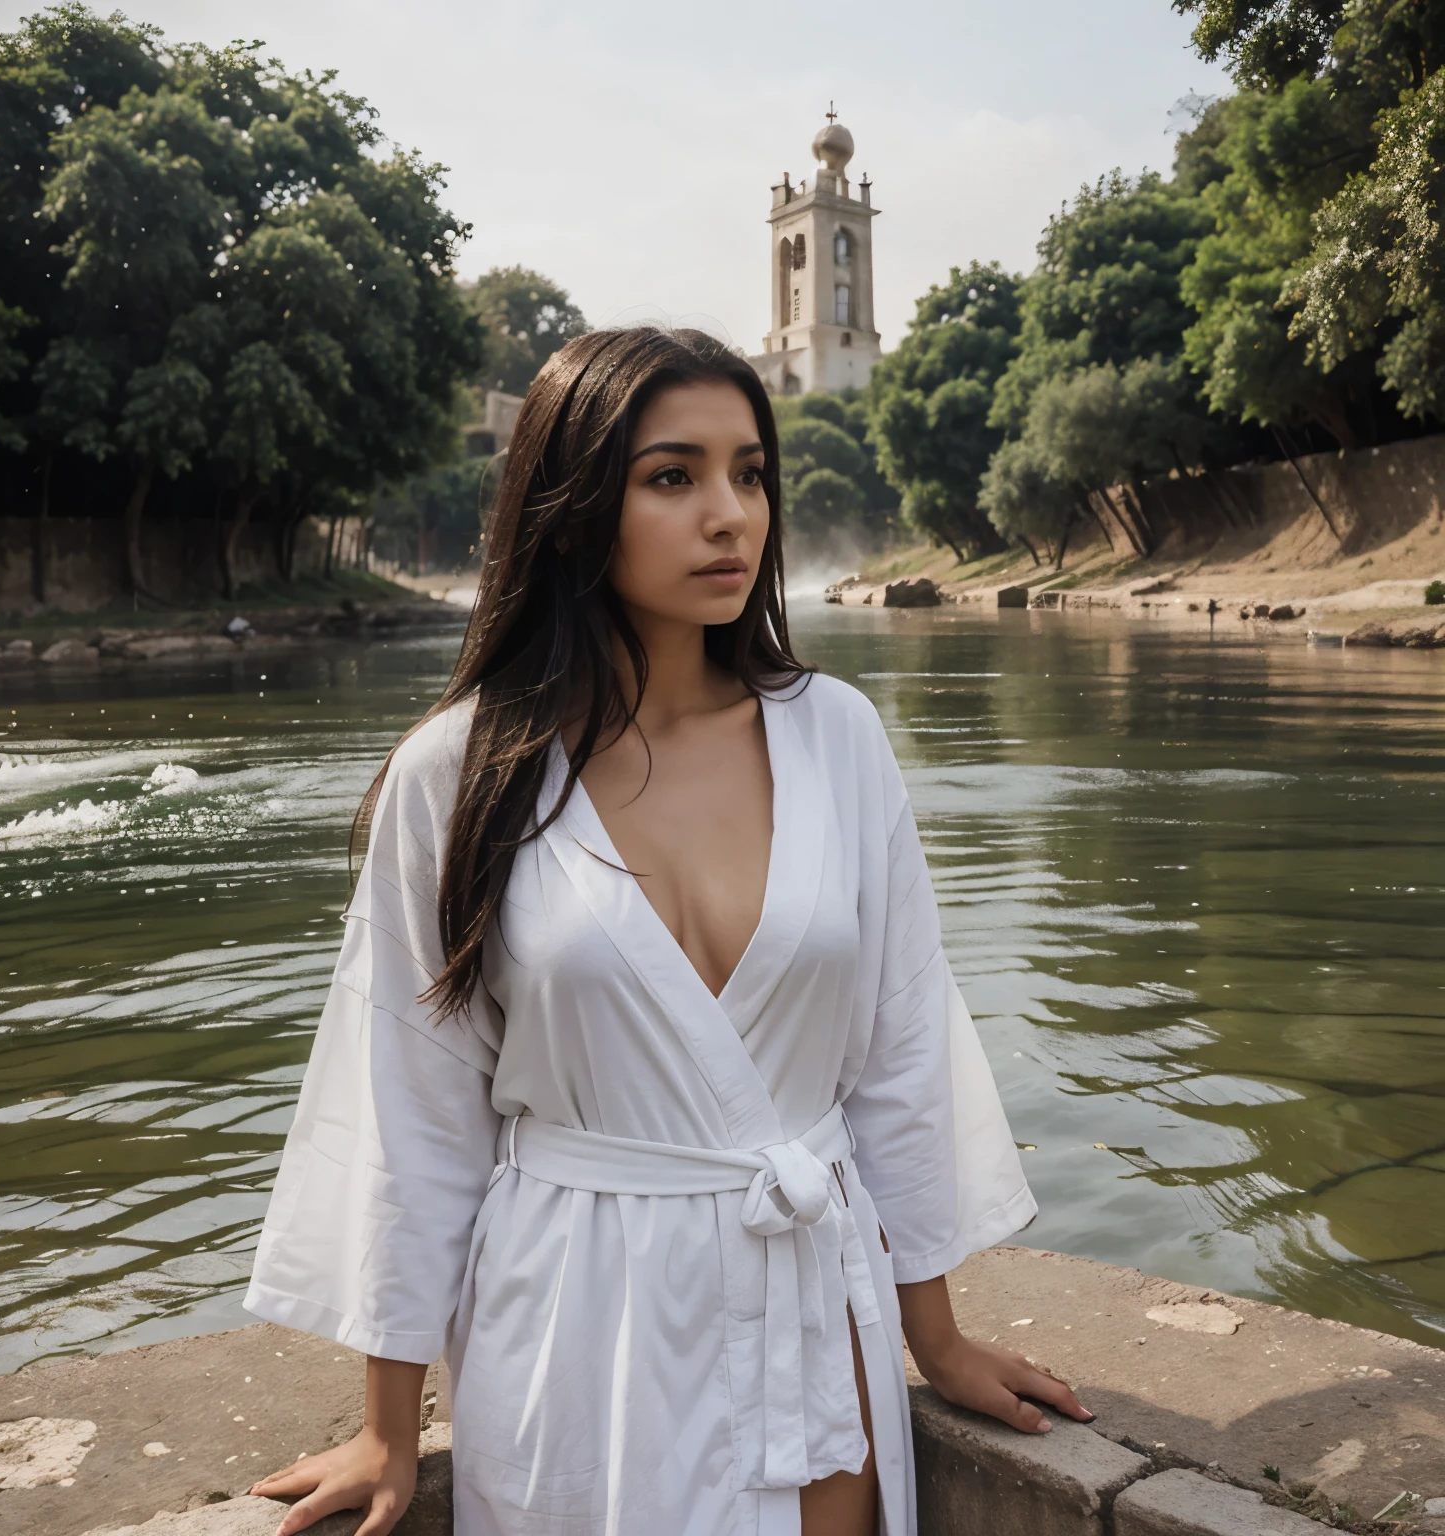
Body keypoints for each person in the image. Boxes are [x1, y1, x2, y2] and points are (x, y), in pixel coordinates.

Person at [242, 327, 1091, 1536]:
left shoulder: (837, 738)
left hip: (810, 1295)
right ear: (575, 505)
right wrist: (389, 1430)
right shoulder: (460, 776)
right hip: (577, 1313)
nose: (730, 515)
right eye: (673, 476)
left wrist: (934, 1338)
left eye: (751, 474)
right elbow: (412, 1110)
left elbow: (900, 1056)